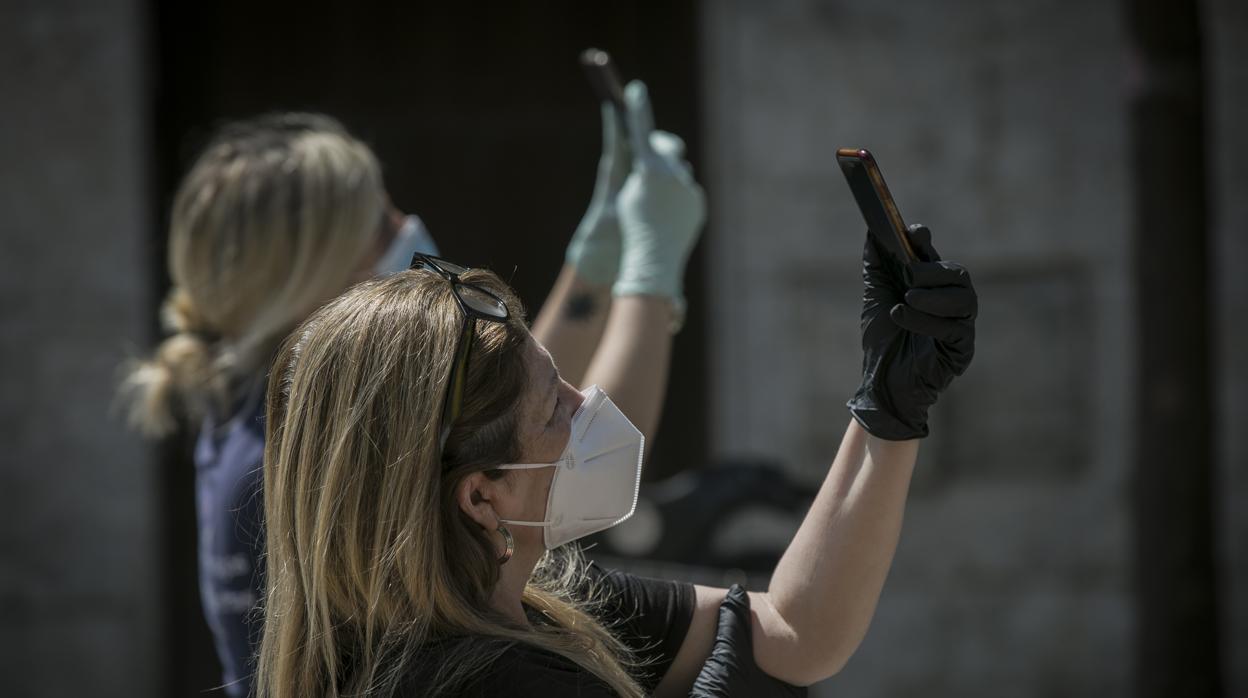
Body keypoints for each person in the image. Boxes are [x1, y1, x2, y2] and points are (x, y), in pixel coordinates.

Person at [254, 170, 978, 695]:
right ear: (479, 499)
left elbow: (794, 634)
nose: (587, 401)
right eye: (553, 408)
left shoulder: (522, 602)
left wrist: (886, 411)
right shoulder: (504, 682)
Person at [121, 81, 703, 697]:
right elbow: (553, 454)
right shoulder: (303, 446)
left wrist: (594, 270)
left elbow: (511, 399)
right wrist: (650, 277)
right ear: (308, 272)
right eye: (378, 222)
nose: (405, 227)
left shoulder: (257, 415)